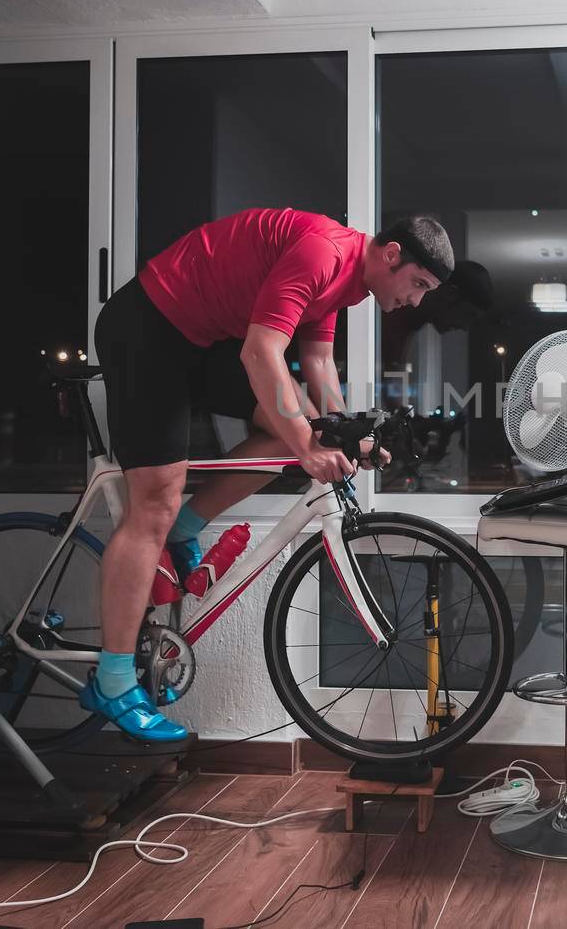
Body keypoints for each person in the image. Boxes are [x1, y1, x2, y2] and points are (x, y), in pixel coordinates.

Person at [85, 208, 454, 741]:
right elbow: (262, 350)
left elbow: (319, 362)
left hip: (199, 340)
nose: (415, 301)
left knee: (294, 429)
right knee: (154, 502)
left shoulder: (349, 280)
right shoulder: (322, 252)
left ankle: (184, 532)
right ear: (391, 255)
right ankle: (113, 680)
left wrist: (348, 435)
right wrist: (308, 446)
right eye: (417, 284)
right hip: (149, 326)